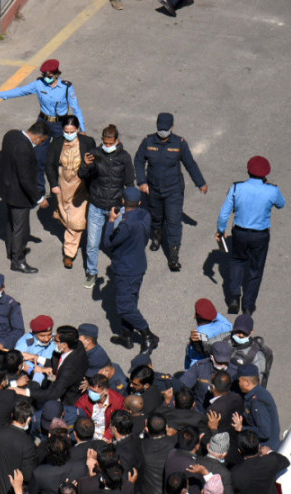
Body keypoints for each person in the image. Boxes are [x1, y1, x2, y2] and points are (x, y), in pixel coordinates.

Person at [0, 59, 86, 195]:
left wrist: (82, 129)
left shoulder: (66, 87)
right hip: (43, 122)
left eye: (48, 76)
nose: (45, 79)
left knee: (63, 158)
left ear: (56, 74)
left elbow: (76, 108)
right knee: (38, 158)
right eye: (44, 75)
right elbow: (21, 91)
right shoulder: (39, 84)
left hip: (60, 124)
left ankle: (62, 188)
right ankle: (39, 191)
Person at [134, 112, 207, 272]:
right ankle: (157, 237)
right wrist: (142, 182)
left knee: (174, 222)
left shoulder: (179, 143)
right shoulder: (148, 141)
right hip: (153, 188)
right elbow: (139, 161)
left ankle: (173, 258)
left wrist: (200, 183)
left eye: (166, 129)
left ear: (172, 128)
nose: (163, 132)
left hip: (173, 190)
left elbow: (190, 164)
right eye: (161, 129)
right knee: (156, 216)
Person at [216, 156, 286, 315]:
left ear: (248, 171)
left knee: (236, 261)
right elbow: (281, 204)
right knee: (256, 269)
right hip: (260, 236)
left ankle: (234, 297)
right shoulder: (272, 190)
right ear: (266, 173)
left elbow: (224, 214)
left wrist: (220, 230)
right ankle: (248, 306)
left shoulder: (236, 188)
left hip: (240, 233)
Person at [0, 122, 50, 273]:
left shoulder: (11, 134)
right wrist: (39, 198)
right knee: (20, 228)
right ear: (38, 137)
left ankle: (12, 250)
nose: (40, 144)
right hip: (18, 194)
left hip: (6, 187)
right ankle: (18, 260)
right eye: (42, 141)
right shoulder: (24, 149)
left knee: (11, 222)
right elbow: (25, 179)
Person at [80, 124, 135, 288]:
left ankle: (120, 270)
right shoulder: (95, 155)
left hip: (116, 207)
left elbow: (129, 182)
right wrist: (85, 165)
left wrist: (130, 205)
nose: (108, 146)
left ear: (117, 141)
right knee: (92, 244)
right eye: (105, 143)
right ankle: (91, 272)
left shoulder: (124, 157)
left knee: (118, 242)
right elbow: (82, 175)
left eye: (111, 143)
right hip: (96, 206)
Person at [104, 187, 158, 353]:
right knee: (131, 300)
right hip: (138, 265)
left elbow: (108, 241)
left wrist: (111, 221)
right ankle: (126, 335)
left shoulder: (126, 225)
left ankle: (147, 334)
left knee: (125, 307)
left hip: (126, 269)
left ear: (122, 202)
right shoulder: (145, 215)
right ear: (140, 203)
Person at [45, 115, 96, 269]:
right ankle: (72, 239)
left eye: (72, 131)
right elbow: (49, 165)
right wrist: (53, 184)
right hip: (62, 186)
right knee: (66, 217)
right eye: (66, 131)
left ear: (78, 129)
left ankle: (69, 253)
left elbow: (94, 164)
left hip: (80, 186)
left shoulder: (87, 142)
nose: (68, 134)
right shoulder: (57, 143)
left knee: (75, 220)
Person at [233, 364, 281, 450]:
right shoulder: (258, 392)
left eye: (239, 381)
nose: (238, 383)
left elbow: (264, 432)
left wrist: (242, 428)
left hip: (264, 449)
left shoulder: (257, 403)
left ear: (247, 383)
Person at [184, 298, 232, 369]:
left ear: (195, 316)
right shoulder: (224, 325)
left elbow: (193, 356)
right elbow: (229, 325)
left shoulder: (197, 334)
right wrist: (210, 313)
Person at [15, 315, 57, 385]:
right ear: (34, 334)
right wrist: (33, 369)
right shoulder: (25, 343)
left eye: (49, 334)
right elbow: (15, 361)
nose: (47, 339)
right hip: (30, 376)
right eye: (42, 336)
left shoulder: (56, 339)